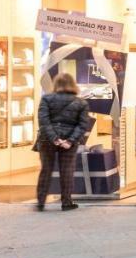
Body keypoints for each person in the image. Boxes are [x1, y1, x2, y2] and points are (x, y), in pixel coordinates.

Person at [34, 72, 93, 212]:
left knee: (45, 170)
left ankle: (41, 201)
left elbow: (43, 121)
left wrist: (54, 138)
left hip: (47, 140)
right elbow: (82, 125)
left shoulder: (46, 99)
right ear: (73, 84)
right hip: (68, 141)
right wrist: (70, 141)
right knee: (67, 171)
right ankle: (66, 202)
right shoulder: (81, 103)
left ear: (56, 84)